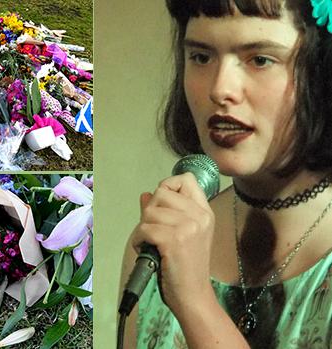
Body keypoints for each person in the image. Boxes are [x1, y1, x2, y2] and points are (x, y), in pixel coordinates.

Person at [120, 0, 332, 348]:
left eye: (260, 59)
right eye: (201, 57)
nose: (220, 89)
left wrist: (195, 302)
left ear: (322, 73)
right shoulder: (156, 246)